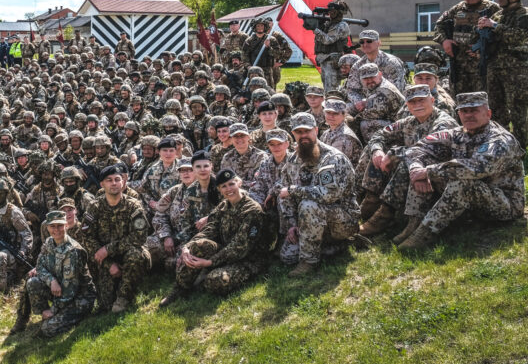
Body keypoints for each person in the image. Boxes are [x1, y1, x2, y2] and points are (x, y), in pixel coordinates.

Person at [397, 92, 526, 250]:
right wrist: (417, 168)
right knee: (420, 166)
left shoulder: (499, 140)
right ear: (458, 114)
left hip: (504, 204)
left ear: (488, 113)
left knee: (460, 182)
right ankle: (413, 223)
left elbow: (478, 168)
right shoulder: (457, 133)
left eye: (474, 110)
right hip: (473, 200)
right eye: (464, 111)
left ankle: (424, 233)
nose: (469, 115)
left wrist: (428, 172)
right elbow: (417, 148)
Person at [358, 84, 460, 236]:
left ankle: (388, 215)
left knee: (405, 162)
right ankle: (370, 200)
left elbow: (429, 153)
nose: (417, 105)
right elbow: (380, 134)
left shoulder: (443, 123)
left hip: (441, 177)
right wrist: (377, 151)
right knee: (376, 151)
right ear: (407, 105)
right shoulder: (410, 121)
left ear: (432, 100)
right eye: (412, 102)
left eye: (421, 100)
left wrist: (393, 154)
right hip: (418, 172)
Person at [160, 168, 268, 306]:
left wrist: (209, 263)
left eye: (231, 184)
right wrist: (187, 247)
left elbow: (239, 247)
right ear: (219, 189)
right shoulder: (224, 205)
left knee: (215, 281)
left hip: (247, 259)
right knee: (197, 245)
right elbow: (209, 229)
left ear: (238, 183)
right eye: (224, 186)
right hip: (225, 252)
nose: (229, 189)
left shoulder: (253, 210)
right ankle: (180, 288)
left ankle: (203, 276)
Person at [278, 112, 361, 276]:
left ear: (316, 130)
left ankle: (309, 261)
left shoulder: (331, 158)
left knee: (309, 205)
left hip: (342, 218)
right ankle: (330, 247)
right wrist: (293, 223)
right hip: (309, 220)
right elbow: (284, 192)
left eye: (307, 131)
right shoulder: (293, 160)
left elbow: (328, 195)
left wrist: (295, 191)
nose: (303, 136)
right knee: (287, 257)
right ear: (293, 134)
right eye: (298, 132)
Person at [10, 210, 96, 337]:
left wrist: (53, 309)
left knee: (47, 330)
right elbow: (39, 266)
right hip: (60, 289)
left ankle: (74, 316)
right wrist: (52, 281)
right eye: (52, 226)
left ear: (66, 225)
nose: (56, 230)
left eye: (60, 225)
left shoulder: (73, 251)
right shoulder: (49, 242)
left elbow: (70, 290)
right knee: (32, 282)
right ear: (47, 227)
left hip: (79, 297)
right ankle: (35, 317)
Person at [81, 164, 151, 313]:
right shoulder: (94, 207)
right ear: (102, 184)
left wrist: (109, 249)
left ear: (123, 182)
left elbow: (139, 237)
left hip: (127, 253)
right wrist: (108, 263)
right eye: (109, 180)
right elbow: (87, 238)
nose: (113, 183)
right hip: (105, 259)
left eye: (117, 179)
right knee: (105, 305)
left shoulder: (134, 206)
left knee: (136, 254)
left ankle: (124, 297)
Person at [477, 0, 528, 149]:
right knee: (497, 108)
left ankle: (520, 146)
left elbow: (519, 36)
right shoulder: (498, 15)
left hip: (517, 70)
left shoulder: (524, 15)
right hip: (495, 67)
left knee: (518, 109)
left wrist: (494, 26)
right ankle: (502, 144)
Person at [434, 0, 500, 96]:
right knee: (459, 99)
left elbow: (502, 33)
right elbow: (439, 25)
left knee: (482, 100)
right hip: (459, 64)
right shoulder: (457, 9)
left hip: (483, 66)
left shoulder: (493, 8)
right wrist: (444, 40)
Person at [345, 30, 407, 102]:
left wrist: (370, 102)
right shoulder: (358, 65)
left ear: (379, 43)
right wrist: (359, 102)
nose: (365, 44)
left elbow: (396, 91)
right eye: (362, 42)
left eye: (369, 41)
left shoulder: (391, 62)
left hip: (389, 103)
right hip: (365, 104)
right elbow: (351, 90)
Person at [312, 1, 352, 90]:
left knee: (331, 89)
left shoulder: (341, 25)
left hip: (333, 61)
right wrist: (319, 25)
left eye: (333, 12)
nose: (330, 14)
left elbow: (328, 40)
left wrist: (315, 29)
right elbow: (319, 40)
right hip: (325, 60)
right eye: (329, 11)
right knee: (326, 87)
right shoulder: (329, 24)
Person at [243, 18, 291, 89]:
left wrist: (268, 47)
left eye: (262, 26)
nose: (260, 28)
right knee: (253, 89)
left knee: (268, 90)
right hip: (254, 70)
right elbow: (244, 55)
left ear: (265, 27)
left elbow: (277, 54)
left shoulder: (271, 40)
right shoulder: (249, 41)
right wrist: (248, 66)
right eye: (258, 26)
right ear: (254, 27)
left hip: (267, 71)